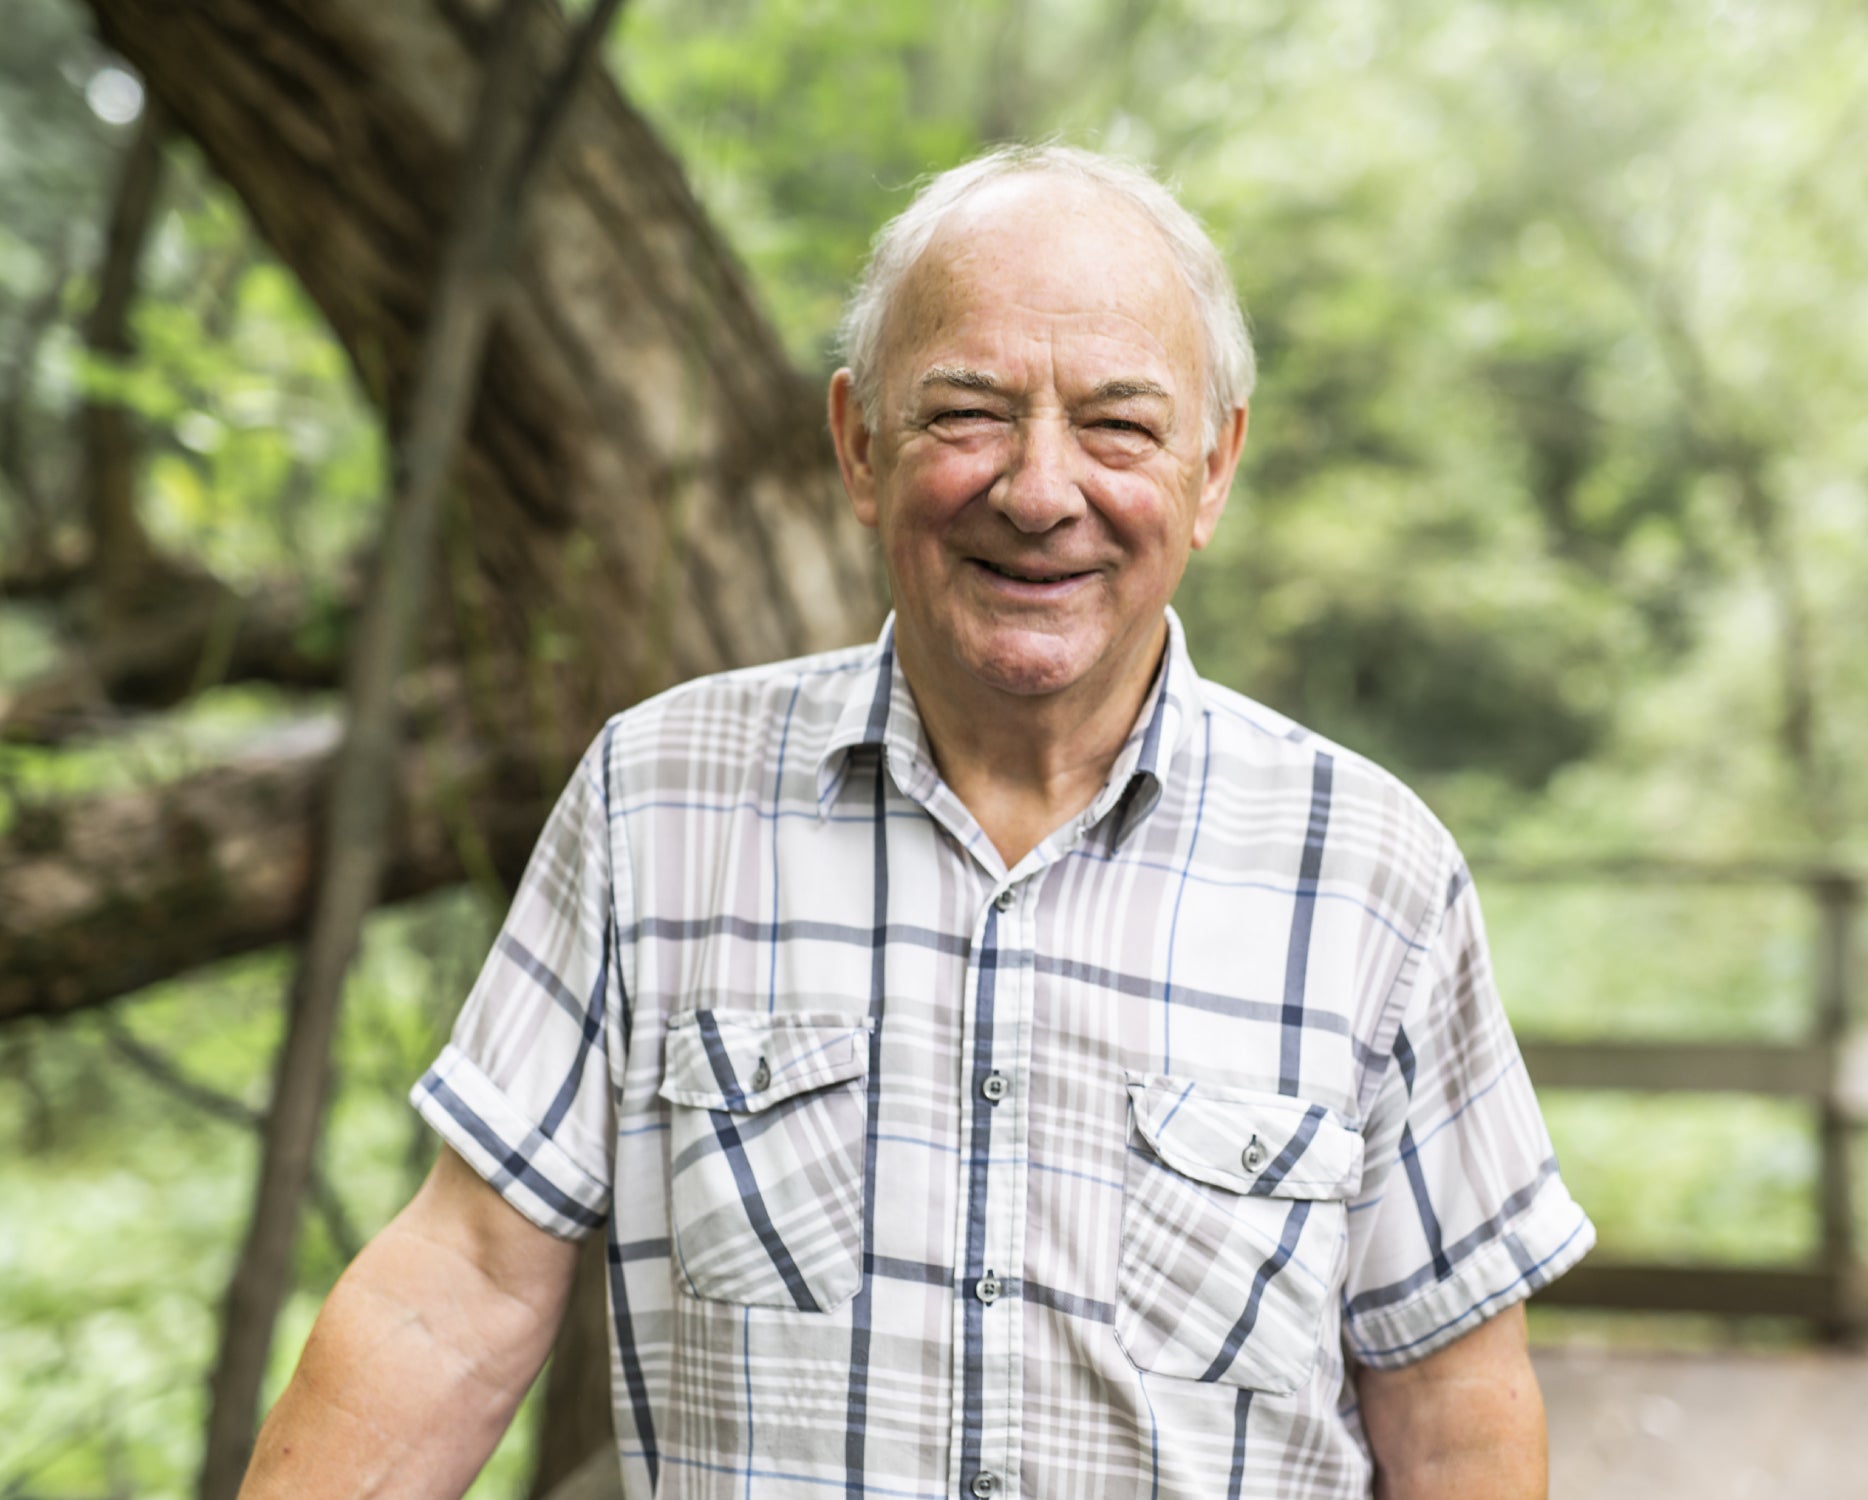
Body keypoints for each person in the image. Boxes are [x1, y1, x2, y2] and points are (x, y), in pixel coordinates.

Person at [240, 143, 1593, 1500]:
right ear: (859, 446)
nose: (1040, 489)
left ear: (1214, 468)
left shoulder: (1370, 872)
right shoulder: (659, 797)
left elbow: (1453, 1401)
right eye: (968, 412)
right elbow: (458, 1288)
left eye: (1118, 424)